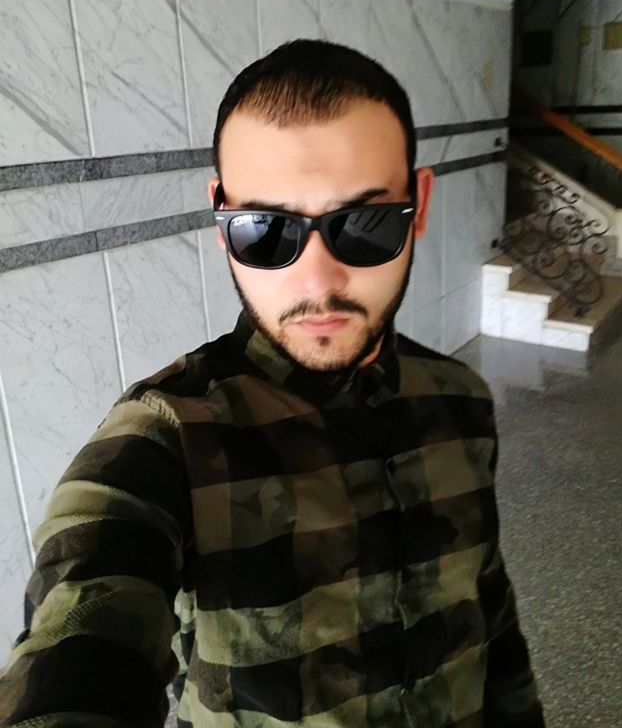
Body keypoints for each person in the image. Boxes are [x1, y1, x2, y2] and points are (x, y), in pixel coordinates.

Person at [0, 39, 545, 727]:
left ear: (421, 203)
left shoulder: (461, 398)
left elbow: (491, 616)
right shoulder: (168, 441)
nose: (317, 280)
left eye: (365, 224)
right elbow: (80, 635)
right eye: (265, 229)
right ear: (222, 218)